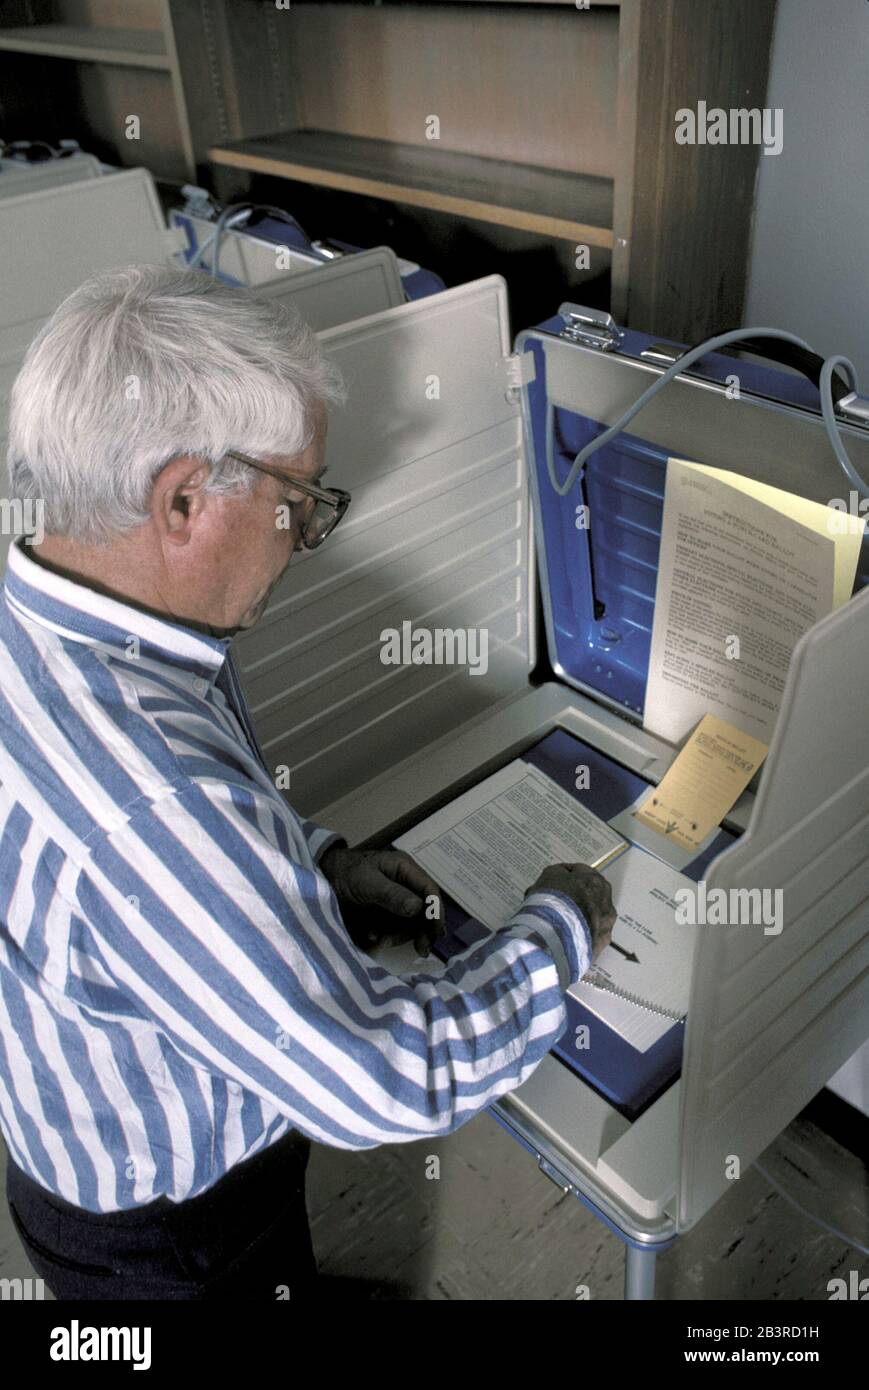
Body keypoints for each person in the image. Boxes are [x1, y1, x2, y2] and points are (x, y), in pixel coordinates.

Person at [0, 264, 616, 1299]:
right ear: (183, 498)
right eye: (299, 504)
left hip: (72, 1133)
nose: (307, 540)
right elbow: (381, 1080)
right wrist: (561, 929)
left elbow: (150, 876)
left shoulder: (55, 615)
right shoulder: (152, 801)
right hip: (174, 1229)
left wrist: (316, 864)